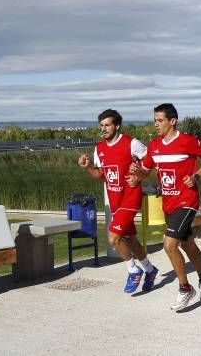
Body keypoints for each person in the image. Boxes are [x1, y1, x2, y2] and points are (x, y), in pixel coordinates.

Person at [132, 103, 201, 311]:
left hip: (187, 201)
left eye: (160, 121)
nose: (156, 124)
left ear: (172, 121)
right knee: (188, 245)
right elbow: (146, 171)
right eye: (154, 120)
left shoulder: (187, 141)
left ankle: (185, 289)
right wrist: (137, 172)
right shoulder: (154, 146)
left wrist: (196, 176)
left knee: (169, 246)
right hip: (168, 204)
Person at [78, 109, 158, 293]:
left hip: (130, 197)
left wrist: (138, 173)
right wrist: (88, 167)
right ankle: (150, 269)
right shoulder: (99, 149)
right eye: (101, 126)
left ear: (117, 126)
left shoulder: (131, 143)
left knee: (114, 237)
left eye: (107, 125)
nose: (103, 129)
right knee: (129, 239)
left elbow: (150, 161)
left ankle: (133, 270)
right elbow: (101, 176)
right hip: (115, 201)